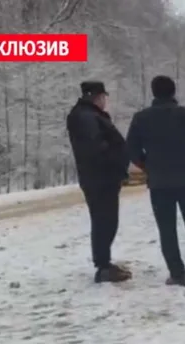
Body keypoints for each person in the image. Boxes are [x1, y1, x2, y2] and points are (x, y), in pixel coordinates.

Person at [126, 75, 185, 286]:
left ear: (153, 92)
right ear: (173, 92)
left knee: (167, 229)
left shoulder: (141, 118)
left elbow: (131, 150)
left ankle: (177, 274)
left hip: (159, 183)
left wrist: (148, 166)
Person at [66, 80, 131, 283]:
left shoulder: (87, 115)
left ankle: (104, 263)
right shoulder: (86, 117)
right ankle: (103, 266)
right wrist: (116, 160)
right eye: (103, 97)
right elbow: (96, 148)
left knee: (106, 220)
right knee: (105, 221)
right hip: (100, 178)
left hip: (100, 177)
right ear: (97, 97)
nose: (105, 101)